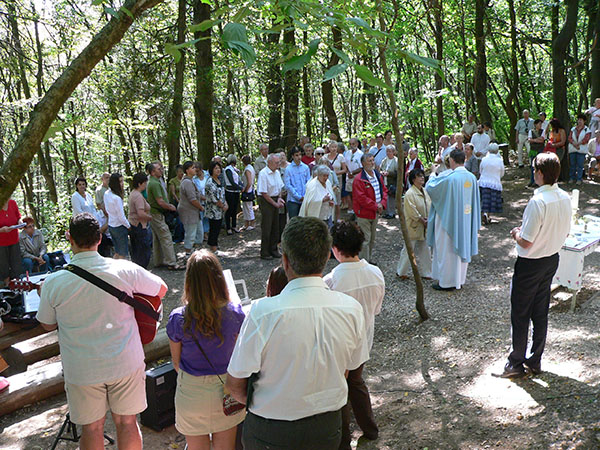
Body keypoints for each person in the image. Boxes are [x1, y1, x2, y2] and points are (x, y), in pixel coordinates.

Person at [225, 217, 368, 449]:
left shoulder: (263, 313)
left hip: (272, 428)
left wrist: (269, 403)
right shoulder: (351, 309)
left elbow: (234, 383)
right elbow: (349, 370)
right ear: (326, 258)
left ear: (285, 261)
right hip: (327, 424)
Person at [36, 213, 168, 449]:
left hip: (82, 367)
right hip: (125, 360)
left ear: (69, 238)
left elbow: (47, 324)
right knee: (127, 422)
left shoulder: (54, 282)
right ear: (99, 238)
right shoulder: (124, 269)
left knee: (92, 428)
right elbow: (161, 288)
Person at [501, 153, 571, 378]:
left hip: (531, 263)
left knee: (521, 312)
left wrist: (515, 234)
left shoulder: (538, 201)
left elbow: (527, 241)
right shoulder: (564, 197)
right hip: (551, 259)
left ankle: (516, 362)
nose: (533, 173)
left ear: (540, 173)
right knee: (540, 311)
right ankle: (535, 359)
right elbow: (566, 231)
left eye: (534, 169)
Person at [167, 250, 245, 449]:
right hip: (227, 390)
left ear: (189, 282)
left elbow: (176, 363)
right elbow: (239, 356)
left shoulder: (178, 318)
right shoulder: (235, 313)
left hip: (192, 393)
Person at [324, 221, 384, 450]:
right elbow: (376, 308)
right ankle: (369, 428)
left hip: (338, 345)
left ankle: (343, 438)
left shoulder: (331, 281)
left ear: (335, 249)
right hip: (364, 338)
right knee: (356, 382)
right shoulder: (375, 273)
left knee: (341, 388)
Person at [426, 149, 480, 291]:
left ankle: (446, 282)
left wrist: (432, 173)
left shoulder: (449, 178)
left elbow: (431, 188)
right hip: (466, 220)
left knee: (446, 250)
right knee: (462, 246)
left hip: (448, 220)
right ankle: (459, 279)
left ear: (451, 160)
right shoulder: (471, 178)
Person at [147, 162, 183, 270]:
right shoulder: (154, 183)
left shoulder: (155, 182)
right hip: (157, 214)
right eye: (159, 169)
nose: (161, 170)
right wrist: (171, 207)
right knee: (166, 236)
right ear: (153, 172)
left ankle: (159, 261)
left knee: (157, 238)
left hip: (155, 213)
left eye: (161, 168)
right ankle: (171, 263)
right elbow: (160, 201)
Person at [397, 169, 432, 280]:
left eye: (422, 176)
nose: (422, 178)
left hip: (425, 225)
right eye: (419, 176)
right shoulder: (409, 193)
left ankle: (427, 272)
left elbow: (430, 205)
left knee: (425, 249)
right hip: (414, 225)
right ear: (413, 179)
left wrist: (429, 219)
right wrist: (421, 219)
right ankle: (401, 271)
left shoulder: (425, 191)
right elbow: (411, 210)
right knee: (408, 249)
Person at [353, 154, 388, 263]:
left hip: (375, 212)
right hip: (364, 213)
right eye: (369, 161)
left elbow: (384, 191)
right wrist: (376, 206)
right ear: (363, 164)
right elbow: (361, 198)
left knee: (372, 239)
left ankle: (368, 260)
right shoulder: (359, 179)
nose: (372, 163)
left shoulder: (378, 175)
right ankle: (363, 263)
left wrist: (382, 203)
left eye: (373, 160)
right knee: (365, 239)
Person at [257, 153, 285, 260]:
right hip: (266, 200)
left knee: (276, 226)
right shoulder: (263, 174)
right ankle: (265, 252)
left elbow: (280, 188)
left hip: (275, 198)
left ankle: (274, 249)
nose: (278, 164)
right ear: (269, 163)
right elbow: (264, 193)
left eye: (279, 162)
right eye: (276, 162)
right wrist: (275, 204)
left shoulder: (277, 173)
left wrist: (279, 198)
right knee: (267, 226)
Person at [179, 161, 205, 255]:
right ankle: (188, 254)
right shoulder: (187, 182)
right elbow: (192, 199)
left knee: (199, 233)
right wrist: (201, 207)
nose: (195, 169)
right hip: (189, 213)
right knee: (190, 234)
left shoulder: (191, 180)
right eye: (193, 168)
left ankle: (196, 252)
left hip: (195, 213)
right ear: (187, 170)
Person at [128, 172, 153, 268]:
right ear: (139, 184)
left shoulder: (133, 193)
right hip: (139, 226)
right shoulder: (137, 196)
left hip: (134, 225)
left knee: (137, 250)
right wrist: (150, 218)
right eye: (145, 183)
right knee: (143, 251)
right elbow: (140, 213)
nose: (146, 185)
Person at [104, 173, 130, 259]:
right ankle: (120, 271)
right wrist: (129, 226)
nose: (122, 183)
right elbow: (121, 216)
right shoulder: (116, 198)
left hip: (111, 225)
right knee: (122, 254)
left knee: (117, 252)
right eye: (120, 181)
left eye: (122, 181)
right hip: (119, 227)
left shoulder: (107, 193)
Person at [478, 143, 505, 225]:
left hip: (484, 182)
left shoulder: (484, 159)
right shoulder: (500, 161)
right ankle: (488, 215)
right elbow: (502, 173)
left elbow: (480, 170)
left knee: (485, 200)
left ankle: (485, 214)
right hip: (495, 182)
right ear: (497, 151)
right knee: (491, 200)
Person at [205, 161, 228, 253]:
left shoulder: (219, 180)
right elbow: (214, 198)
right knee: (214, 229)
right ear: (211, 170)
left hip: (220, 211)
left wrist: (225, 203)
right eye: (216, 168)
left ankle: (215, 246)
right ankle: (213, 248)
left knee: (217, 228)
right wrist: (222, 205)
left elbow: (222, 193)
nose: (218, 170)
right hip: (213, 211)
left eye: (219, 168)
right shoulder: (210, 182)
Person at [0, 198, 23, 285]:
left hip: (14, 240)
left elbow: (18, 217)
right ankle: (6, 286)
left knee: (16, 265)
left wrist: (20, 223)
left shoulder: (12, 203)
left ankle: (17, 286)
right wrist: (1, 230)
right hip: (1, 243)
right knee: (3, 266)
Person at [283, 146, 311, 218]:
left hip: (304, 199)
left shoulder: (305, 167)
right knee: (294, 221)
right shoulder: (288, 169)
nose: (299, 157)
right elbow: (288, 185)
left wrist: (305, 196)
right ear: (292, 156)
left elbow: (308, 182)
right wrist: (298, 197)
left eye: (300, 155)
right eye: (296, 155)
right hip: (293, 200)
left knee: (304, 220)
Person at [325, 141, 347, 222]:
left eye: (335, 147)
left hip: (338, 179)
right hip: (327, 180)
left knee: (337, 200)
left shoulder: (340, 157)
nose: (334, 149)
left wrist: (335, 173)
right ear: (329, 148)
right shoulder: (325, 157)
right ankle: (329, 217)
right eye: (332, 147)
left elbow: (345, 169)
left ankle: (337, 218)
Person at [567, 113, 592, 185]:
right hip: (573, 149)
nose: (579, 121)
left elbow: (586, 139)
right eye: (578, 120)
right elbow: (570, 138)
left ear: (584, 121)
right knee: (572, 164)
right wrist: (574, 144)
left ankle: (579, 179)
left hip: (581, 150)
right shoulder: (573, 129)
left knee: (580, 165)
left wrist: (578, 144)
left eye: (581, 120)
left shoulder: (587, 130)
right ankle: (572, 178)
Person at [224, 154, 243, 235]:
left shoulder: (234, 169)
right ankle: (228, 227)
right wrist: (240, 188)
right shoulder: (228, 169)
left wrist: (239, 186)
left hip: (235, 192)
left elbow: (237, 180)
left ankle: (234, 226)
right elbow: (231, 181)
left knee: (234, 209)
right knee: (229, 210)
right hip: (230, 192)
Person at [343, 138, 363, 214]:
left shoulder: (360, 154)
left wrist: (353, 173)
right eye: (350, 144)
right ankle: (350, 208)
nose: (352, 146)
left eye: (353, 144)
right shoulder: (347, 153)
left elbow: (362, 167)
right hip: (348, 175)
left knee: (356, 192)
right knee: (348, 192)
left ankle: (356, 208)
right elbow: (345, 164)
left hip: (357, 176)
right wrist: (348, 172)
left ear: (357, 144)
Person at [379, 145, 398, 219]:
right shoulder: (384, 160)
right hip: (384, 181)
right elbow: (380, 169)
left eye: (390, 151)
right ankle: (387, 212)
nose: (388, 153)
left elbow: (397, 173)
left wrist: (389, 173)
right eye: (387, 151)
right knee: (386, 197)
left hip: (392, 182)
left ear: (393, 152)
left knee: (391, 198)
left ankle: (392, 213)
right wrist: (382, 172)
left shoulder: (396, 161)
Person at [192, 162, 209, 242]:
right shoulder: (194, 179)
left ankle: (206, 232)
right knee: (201, 216)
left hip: (209, 198)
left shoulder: (207, 175)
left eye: (198, 171)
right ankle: (202, 234)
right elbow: (195, 191)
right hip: (200, 199)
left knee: (207, 217)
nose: (197, 173)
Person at [527, 119, 546, 188]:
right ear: (535, 124)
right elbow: (529, 140)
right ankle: (532, 180)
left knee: (540, 166)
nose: (540, 125)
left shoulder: (543, 131)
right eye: (539, 124)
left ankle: (539, 181)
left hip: (540, 150)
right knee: (533, 166)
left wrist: (534, 140)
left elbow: (542, 140)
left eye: (541, 124)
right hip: (533, 150)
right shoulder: (531, 131)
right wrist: (536, 140)